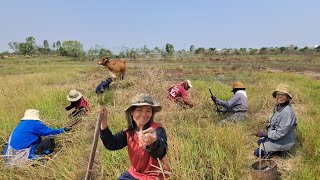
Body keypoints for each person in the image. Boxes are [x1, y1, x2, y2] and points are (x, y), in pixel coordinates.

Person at [99, 93, 169, 180]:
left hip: (154, 175)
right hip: (135, 173)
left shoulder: (157, 130)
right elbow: (112, 143)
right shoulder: (129, 132)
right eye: (139, 110)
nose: (144, 114)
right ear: (132, 112)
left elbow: (160, 152)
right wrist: (103, 120)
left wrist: (153, 143)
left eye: (148, 111)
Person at [3, 109, 71, 166]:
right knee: (50, 140)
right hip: (22, 156)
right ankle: (42, 158)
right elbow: (50, 132)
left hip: (9, 156)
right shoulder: (34, 123)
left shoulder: (20, 125)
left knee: (38, 139)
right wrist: (63, 130)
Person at [253, 84, 297, 157]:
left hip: (283, 141)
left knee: (258, 153)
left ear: (288, 97)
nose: (280, 96)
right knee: (260, 141)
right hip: (276, 137)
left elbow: (279, 133)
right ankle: (271, 147)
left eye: (283, 94)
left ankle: (280, 151)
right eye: (278, 94)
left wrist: (266, 134)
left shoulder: (287, 113)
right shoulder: (278, 106)